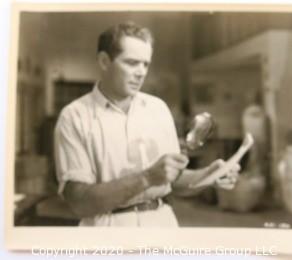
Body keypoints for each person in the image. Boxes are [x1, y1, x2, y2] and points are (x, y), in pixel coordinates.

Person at [54, 21, 240, 227]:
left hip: (162, 225)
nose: (141, 72)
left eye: (145, 64)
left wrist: (207, 175)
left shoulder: (157, 109)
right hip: (106, 232)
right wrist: (147, 178)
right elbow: (79, 202)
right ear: (105, 61)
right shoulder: (74, 117)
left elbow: (172, 180)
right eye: (132, 63)